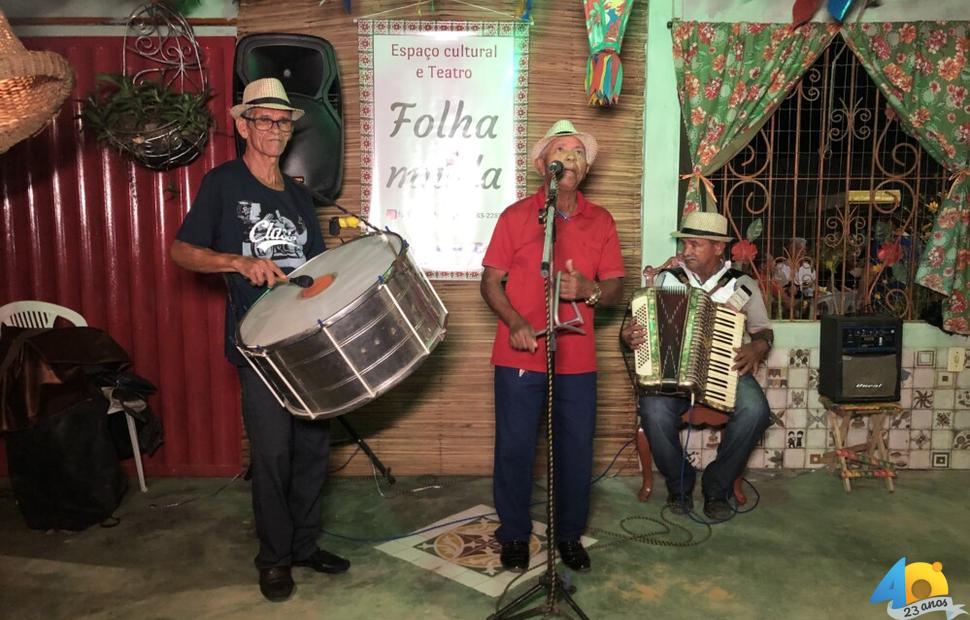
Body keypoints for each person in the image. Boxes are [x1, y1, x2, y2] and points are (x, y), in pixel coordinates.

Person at [170, 78, 349, 602]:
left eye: (283, 121)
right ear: (244, 126)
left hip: (306, 346)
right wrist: (237, 261)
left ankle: (303, 545)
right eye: (264, 119)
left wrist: (344, 272)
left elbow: (313, 270)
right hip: (260, 347)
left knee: (313, 451)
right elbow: (182, 251)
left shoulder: (298, 195)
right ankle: (274, 559)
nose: (275, 129)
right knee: (272, 455)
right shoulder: (223, 184)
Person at [480, 120, 624, 573]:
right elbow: (490, 283)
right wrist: (515, 322)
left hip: (577, 358)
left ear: (585, 169)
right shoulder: (515, 216)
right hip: (519, 353)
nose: (571, 158)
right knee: (515, 447)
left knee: (576, 449)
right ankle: (514, 533)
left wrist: (590, 290)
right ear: (544, 165)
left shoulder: (601, 220)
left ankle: (568, 535)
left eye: (579, 152)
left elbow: (615, 287)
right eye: (562, 150)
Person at [621, 211, 772, 521]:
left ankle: (717, 486)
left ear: (718, 248)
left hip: (726, 369)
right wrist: (629, 336)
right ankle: (680, 485)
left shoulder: (742, 285)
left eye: (694, 244)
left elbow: (763, 332)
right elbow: (640, 326)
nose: (686, 251)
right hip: (672, 373)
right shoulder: (667, 279)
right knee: (652, 410)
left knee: (756, 410)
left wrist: (756, 347)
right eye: (684, 244)